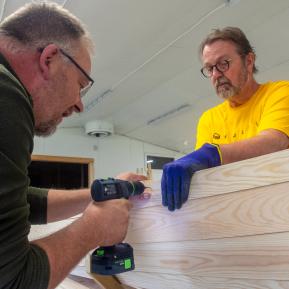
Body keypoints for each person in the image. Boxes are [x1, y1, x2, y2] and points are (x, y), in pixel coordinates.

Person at [0, 3, 148, 289]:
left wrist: (100, 192)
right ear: (50, 59)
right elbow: (13, 281)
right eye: (81, 85)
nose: (80, 104)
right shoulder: (7, 97)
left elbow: (18, 201)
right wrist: (93, 229)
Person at [161, 26, 289, 211]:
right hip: (234, 215)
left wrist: (213, 153)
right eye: (209, 68)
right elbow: (204, 178)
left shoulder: (280, 93)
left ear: (249, 61)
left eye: (223, 64)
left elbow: (273, 142)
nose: (216, 75)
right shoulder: (209, 119)